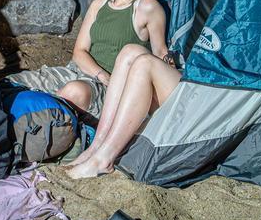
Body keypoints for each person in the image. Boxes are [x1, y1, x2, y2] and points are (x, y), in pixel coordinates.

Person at [9, 0, 167, 119]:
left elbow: (159, 54)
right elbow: (79, 51)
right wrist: (100, 74)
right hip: (79, 71)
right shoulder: (98, 5)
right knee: (13, 82)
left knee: (74, 91)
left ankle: (55, 127)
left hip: (113, 87)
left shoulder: (148, 7)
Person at [65, 43, 181, 179]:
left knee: (145, 64)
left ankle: (104, 159)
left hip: (200, 91)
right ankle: (96, 146)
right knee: (130, 51)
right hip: (184, 74)